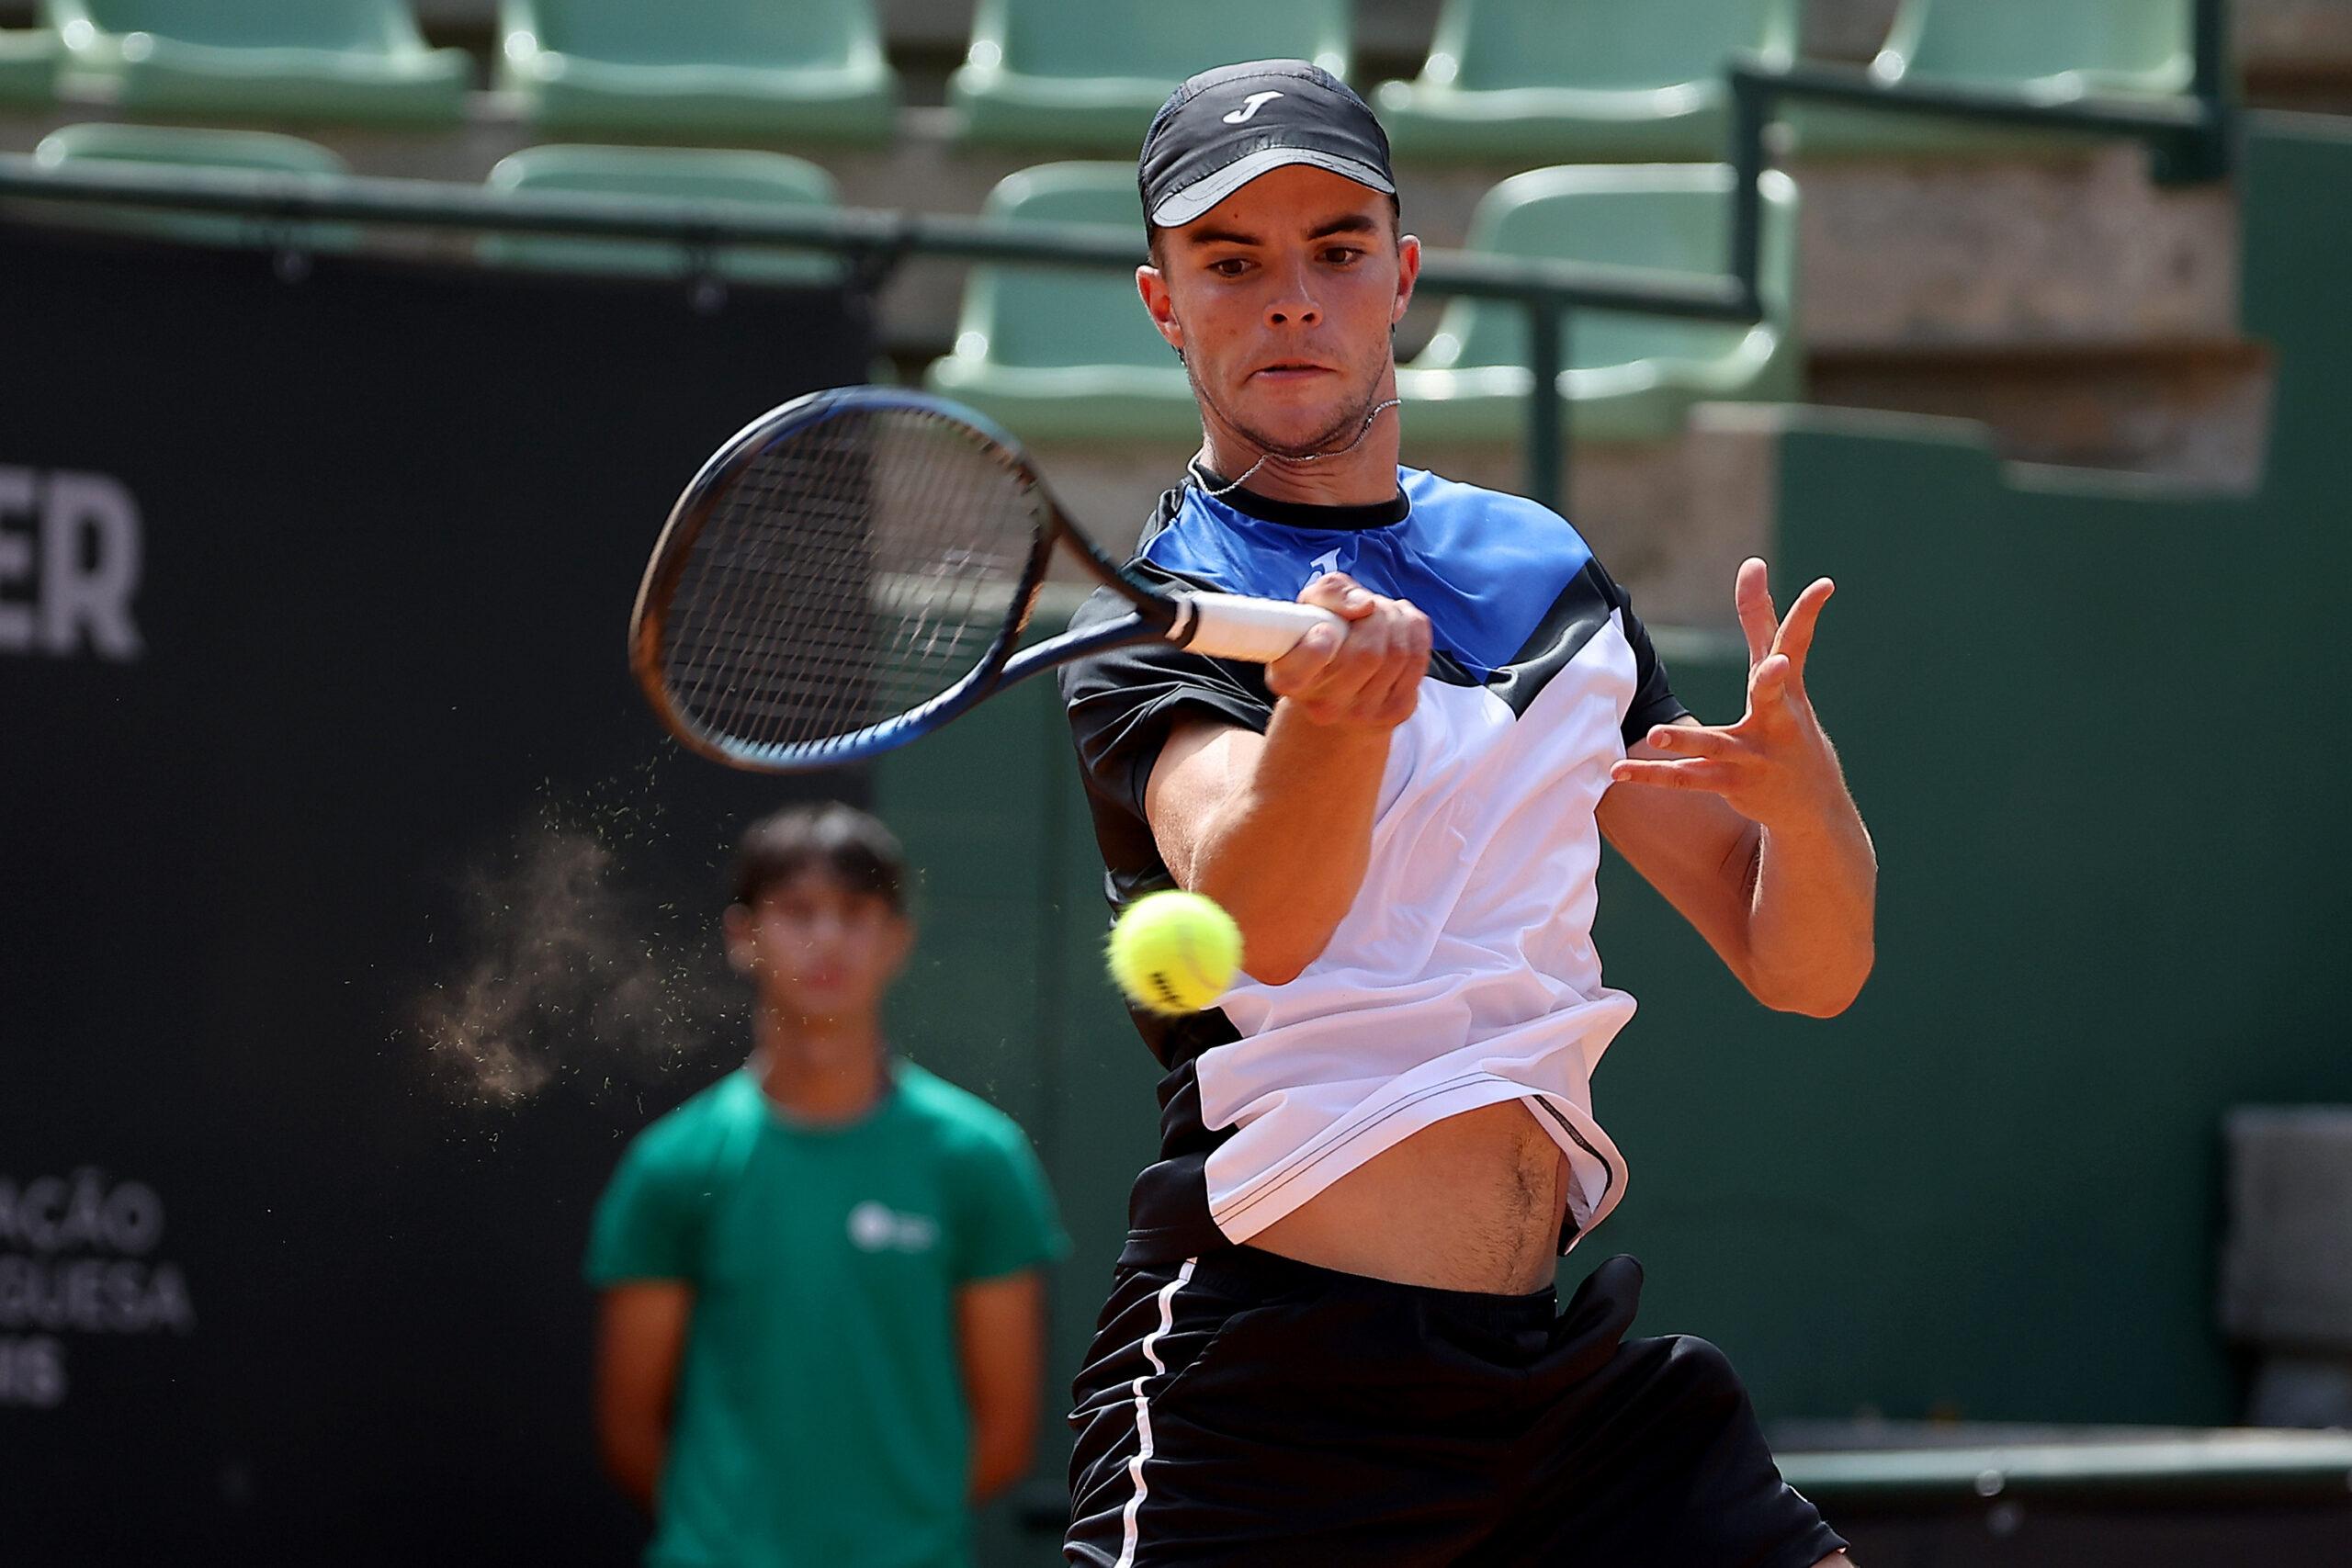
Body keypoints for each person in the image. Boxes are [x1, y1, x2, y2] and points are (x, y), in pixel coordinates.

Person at [1057, 61, 1877, 1567]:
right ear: (1165, 303)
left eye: (1335, 250)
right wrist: (1331, 724)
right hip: (1274, 1395)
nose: (1290, 297)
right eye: (1230, 262)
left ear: (1402, 278)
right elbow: (1266, 915)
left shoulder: (1544, 571)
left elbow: (1802, 963)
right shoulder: (1164, 619)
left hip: (1548, 1384)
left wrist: (1810, 799)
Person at [587, 802, 1069, 1568]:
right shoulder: (671, 1166)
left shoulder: (979, 1159)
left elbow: (1005, 1436)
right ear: (742, 935)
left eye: (855, 912)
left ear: (896, 939)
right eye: (798, 911)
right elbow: (630, 1435)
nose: (828, 939)